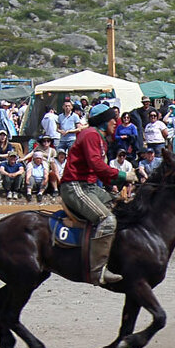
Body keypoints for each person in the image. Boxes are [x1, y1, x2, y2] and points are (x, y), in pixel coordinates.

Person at [60, 104, 136, 286]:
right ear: (105, 120)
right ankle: (97, 271)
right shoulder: (91, 135)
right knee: (107, 220)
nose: (115, 124)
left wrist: (118, 184)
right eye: (113, 120)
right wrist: (123, 175)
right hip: (75, 186)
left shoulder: (100, 138)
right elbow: (96, 164)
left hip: (90, 186)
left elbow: (100, 172)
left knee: (120, 209)